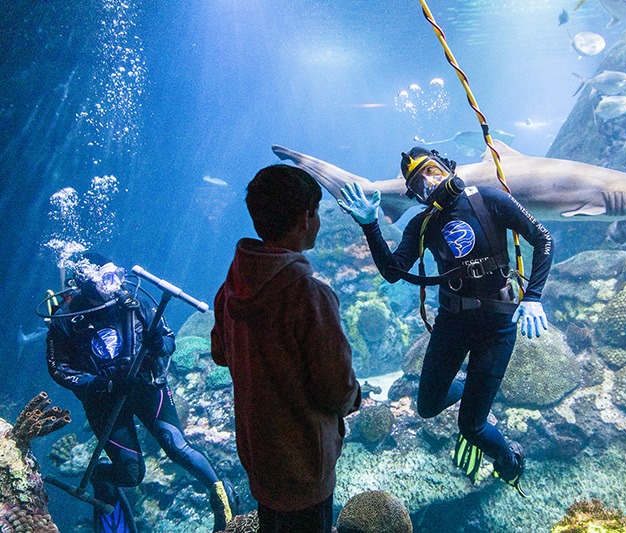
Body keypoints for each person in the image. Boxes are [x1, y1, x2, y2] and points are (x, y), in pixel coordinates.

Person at [337, 147, 553, 496]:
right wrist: (370, 225)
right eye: (419, 184)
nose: (430, 183)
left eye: (433, 172)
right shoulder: (422, 224)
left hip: (497, 326)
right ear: (415, 196)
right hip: (452, 323)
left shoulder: (489, 199)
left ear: (448, 167)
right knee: (427, 406)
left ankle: (510, 459)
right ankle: (478, 392)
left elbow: (542, 238)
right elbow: (393, 272)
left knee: (472, 426)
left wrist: (533, 297)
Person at [211, 164, 361, 533]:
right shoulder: (309, 295)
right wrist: (355, 397)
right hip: (305, 464)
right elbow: (336, 389)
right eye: (319, 213)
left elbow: (219, 352)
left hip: (260, 456)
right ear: (305, 218)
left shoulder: (233, 285)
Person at [46, 253, 236, 532]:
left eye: (115, 276)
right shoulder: (66, 320)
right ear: (87, 283)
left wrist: (158, 343)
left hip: (147, 386)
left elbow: (168, 340)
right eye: (106, 279)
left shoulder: (132, 304)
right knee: (131, 473)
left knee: (176, 445)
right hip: (105, 403)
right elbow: (59, 369)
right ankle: (103, 476)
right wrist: (100, 383)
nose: (114, 285)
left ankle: (222, 498)